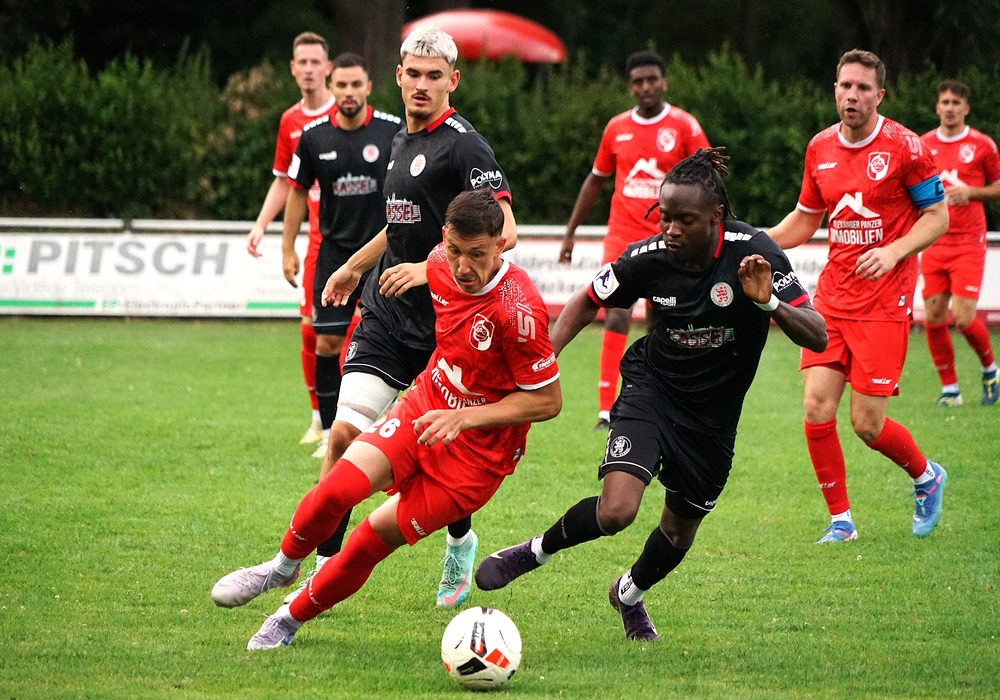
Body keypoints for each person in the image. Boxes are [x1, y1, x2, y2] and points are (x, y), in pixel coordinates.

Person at [475, 148, 827, 642]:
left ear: (716, 217)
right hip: (653, 390)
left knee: (679, 533)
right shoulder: (648, 257)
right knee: (616, 511)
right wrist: (542, 362)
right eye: (665, 217)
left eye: (686, 220)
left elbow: (818, 335)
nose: (672, 230)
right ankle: (533, 552)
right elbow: (587, 300)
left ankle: (628, 594)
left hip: (713, 419)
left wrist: (769, 303)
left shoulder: (754, 253)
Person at [211, 189, 561, 651]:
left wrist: (465, 419)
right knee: (336, 489)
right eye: (454, 250)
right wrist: (397, 268)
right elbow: (424, 255)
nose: (462, 267)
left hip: (477, 461)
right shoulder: (438, 261)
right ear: (444, 238)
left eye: (477, 255)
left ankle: (287, 620)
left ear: (501, 244)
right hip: (425, 409)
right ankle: (280, 568)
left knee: (367, 542)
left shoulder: (519, 312)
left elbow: (547, 401)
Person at [316, 25, 517, 608]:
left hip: (446, 324)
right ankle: (321, 567)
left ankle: (459, 540)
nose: (423, 85)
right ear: (399, 77)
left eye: (435, 76)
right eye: (414, 74)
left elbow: (504, 232)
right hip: (387, 312)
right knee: (344, 435)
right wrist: (353, 267)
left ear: (454, 80)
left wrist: (432, 271)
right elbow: (402, 224)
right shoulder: (401, 140)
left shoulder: (465, 147)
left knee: (439, 453)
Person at [767, 50, 950, 544]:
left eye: (863, 88)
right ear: (835, 90)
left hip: (885, 302)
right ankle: (841, 522)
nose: (853, 95)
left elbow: (938, 217)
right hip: (832, 299)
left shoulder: (906, 147)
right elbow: (806, 219)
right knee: (816, 408)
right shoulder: (820, 147)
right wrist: (755, 240)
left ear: (879, 95)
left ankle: (927, 477)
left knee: (867, 424)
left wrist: (893, 252)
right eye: (845, 86)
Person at [278, 52, 400, 575]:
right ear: (332, 85)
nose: (348, 92)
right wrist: (288, 247)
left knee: (385, 346)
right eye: (341, 85)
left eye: (356, 84)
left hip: (383, 259)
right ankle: (331, 430)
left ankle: (380, 423)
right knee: (327, 343)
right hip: (332, 257)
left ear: (369, 85)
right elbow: (295, 193)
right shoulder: (312, 137)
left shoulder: (392, 132)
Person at [559, 50, 710, 431]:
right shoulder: (616, 128)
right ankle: (605, 410)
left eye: (651, 80)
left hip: (669, 239)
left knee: (664, 317)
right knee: (616, 311)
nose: (645, 87)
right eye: (638, 82)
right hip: (622, 238)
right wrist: (571, 231)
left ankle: (664, 398)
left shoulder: (684, 126)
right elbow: (596, 180)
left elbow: (708, 179)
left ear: (664, 82)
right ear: (630, 87)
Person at [245, 31, 336, 445]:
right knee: (310, 330)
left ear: (327, 68)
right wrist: (262, 225)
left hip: (351, 237)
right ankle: (319, 417)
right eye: (303, 62)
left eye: (316, 62)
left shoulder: (346, 113)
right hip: (317, 241)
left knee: (349, 330)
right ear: (293, 69)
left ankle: (353, 416)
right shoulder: (290, 122)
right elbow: (285, 181)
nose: (309, 69)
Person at [919, 79, 1000, 407]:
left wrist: (972, 192)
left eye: (956, 103)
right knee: (933, 317)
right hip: (934, 239)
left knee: (964, 318)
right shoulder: (923, 145)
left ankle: (990, 370)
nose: (950, 108)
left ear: (966, 108)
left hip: (968, 241)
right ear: (937, 107)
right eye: (945, 102)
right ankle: (950, 390)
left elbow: (998, 186)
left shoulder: (982, 145)